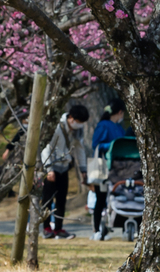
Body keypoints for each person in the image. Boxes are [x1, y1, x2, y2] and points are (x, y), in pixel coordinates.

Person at [40, 104, 89, 239]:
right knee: (47, 200)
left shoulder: (77, 131)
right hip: (51, 167)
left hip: (64, 167)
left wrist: (83, 169)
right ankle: (46, 228)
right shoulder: (56, 126)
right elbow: (46, 148)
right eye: (78, 122)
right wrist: (49, 169)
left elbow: (80, 149)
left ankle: (59, 228)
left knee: (61, 200)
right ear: (71, 118)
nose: (79, 125)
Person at [89, 101, 128, 240]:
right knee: (101, 199)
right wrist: (113, 145)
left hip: (118, 167)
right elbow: (96, 145)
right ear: (120, 112)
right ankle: (97, 229)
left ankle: (108, 228)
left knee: (115, 197)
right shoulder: (104, 125)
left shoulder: (118, 126)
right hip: (104, 167)